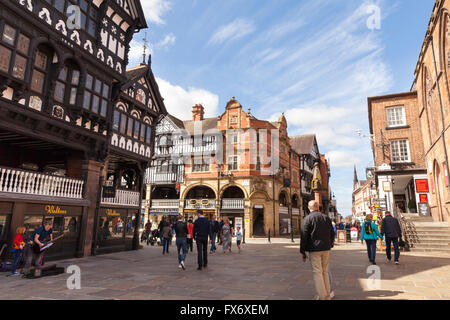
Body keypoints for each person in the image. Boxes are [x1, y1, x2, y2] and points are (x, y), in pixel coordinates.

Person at [300, 200, 335, 300]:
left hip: (314, 249)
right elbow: (332, 233)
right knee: (325, 271)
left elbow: (304, 236)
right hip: (326, 248)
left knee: (317, 272)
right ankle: (327, 295)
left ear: (309, 207)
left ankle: (323, 296)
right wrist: (330, 243)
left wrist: (303, 252)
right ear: (317, 207)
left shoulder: (307, 219)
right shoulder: (326, 218)